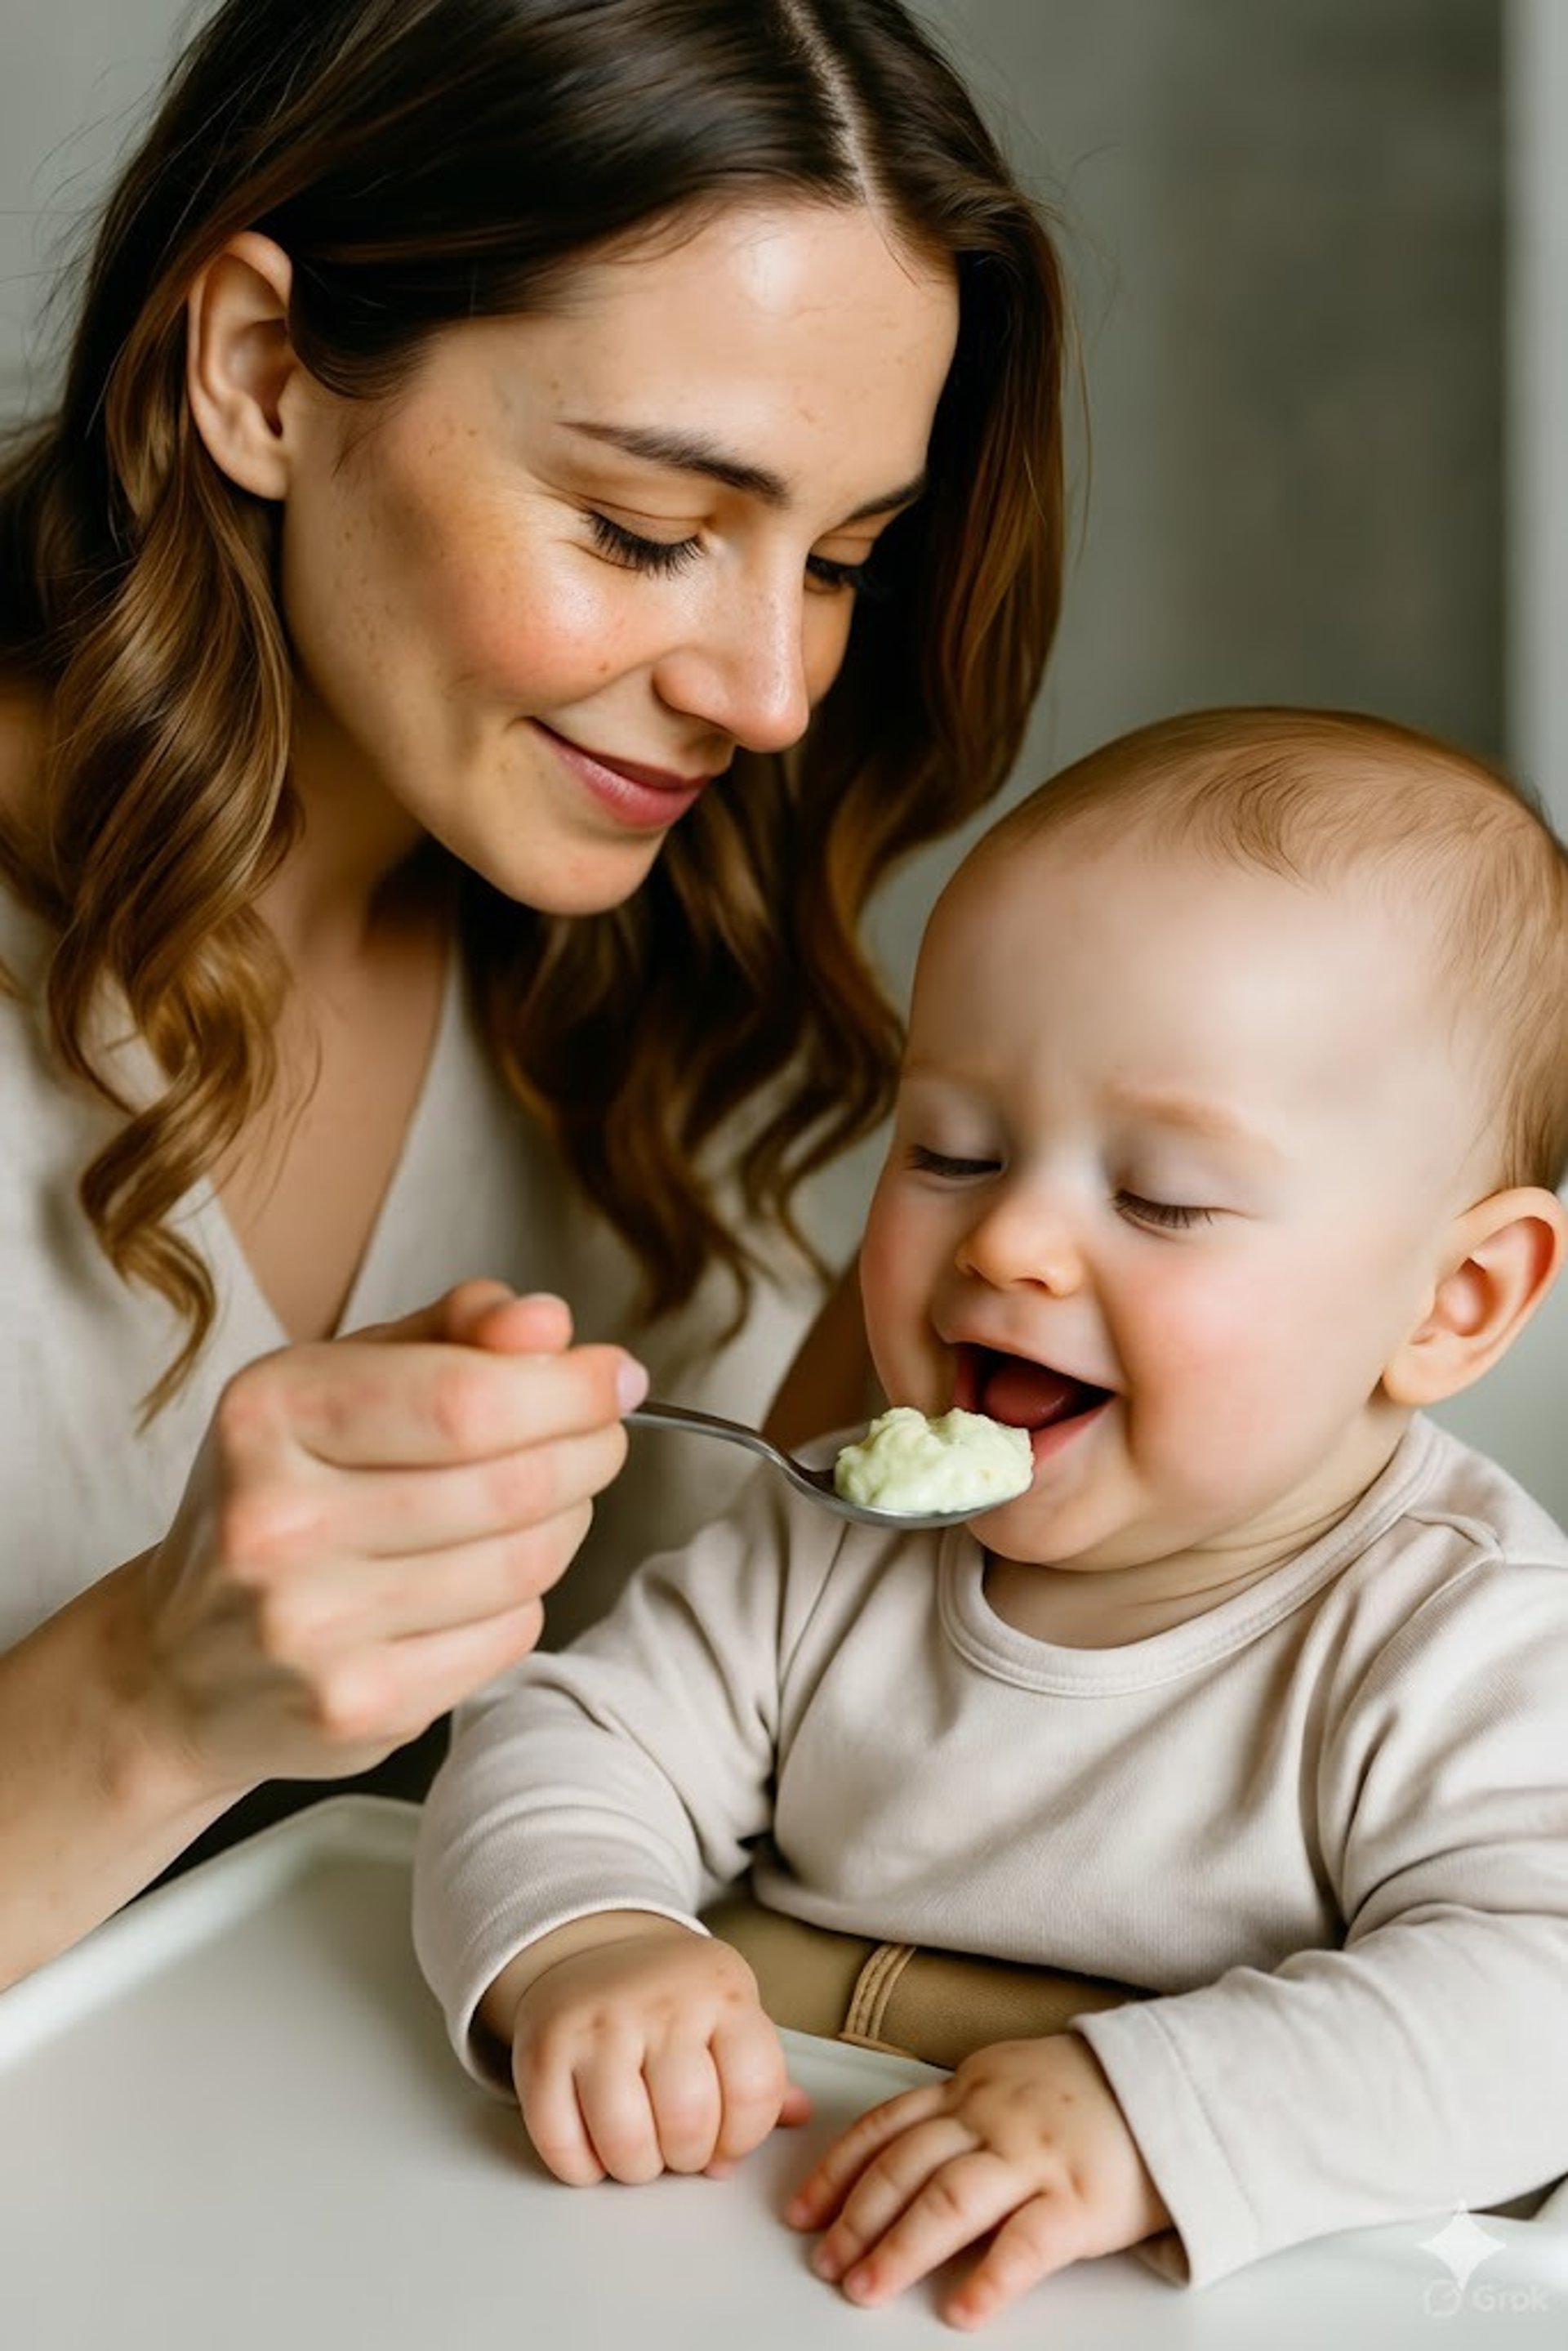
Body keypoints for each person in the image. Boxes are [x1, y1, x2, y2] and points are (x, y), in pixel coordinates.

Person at [0, 0, 1069, 1987]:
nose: (768, 695)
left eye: (840, 560)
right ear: (261, 373)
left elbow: (753, 1775)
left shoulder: (631, 992)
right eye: (645, 531)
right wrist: (140, 1698)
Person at [413, 706, 1568, 2326]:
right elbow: (557, 1741)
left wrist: (1152, 2111)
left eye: (1161, 1194)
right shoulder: (832, 1540)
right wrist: (584, 1938)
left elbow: (1537, 2005)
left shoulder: (1462, 1636)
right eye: (951, 1148)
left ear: (1452, 1298)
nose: (1012, 1240)